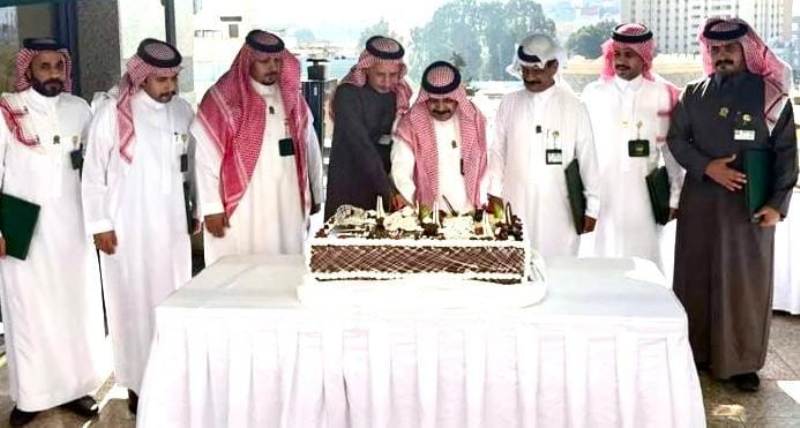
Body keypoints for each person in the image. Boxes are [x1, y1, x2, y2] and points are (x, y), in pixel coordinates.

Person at [667, 17, 798, 391]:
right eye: (716, 49)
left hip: (748, 209)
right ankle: (696, 354)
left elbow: (786, 153)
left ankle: (742, 363)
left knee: (745, 284)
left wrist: (777, 204)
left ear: (747, 50)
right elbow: (677, 140)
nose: (722, 55)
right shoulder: (694, 93)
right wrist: (707, 167)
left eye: (730, 48)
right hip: (701, 206)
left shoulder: (770, 94)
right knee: (696, 278)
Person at [82, 38, 196, 413]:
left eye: (173, 79)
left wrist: (195, 208)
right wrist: (99, 224)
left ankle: (173, 381)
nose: (169, 87)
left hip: (172, 229)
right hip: (126, 229)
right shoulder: (112, 114)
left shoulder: (182, 111)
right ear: (142, 76)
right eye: (161, 80)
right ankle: (136, 383)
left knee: (172, 301)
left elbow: (191, 165)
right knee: (132, 305)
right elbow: (93, 173)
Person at [0, 38, 107, 426]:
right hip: (21, 224)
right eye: (43, 66)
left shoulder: (79, 109)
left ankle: (77, 387)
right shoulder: (7, 110)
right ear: (28, 69)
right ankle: (32, 397)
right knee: (28, 312)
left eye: (58, 66)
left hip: (73, 226)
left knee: (76, 308)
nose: (52, 74)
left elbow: (96, 166)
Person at [193, 30, 322, 265]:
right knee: (242, 269)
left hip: (287, 203)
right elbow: (205, 158)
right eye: (264, 61)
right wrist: (211, 208)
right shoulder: (223, 99)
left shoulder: (292, 98)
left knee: (285, 267)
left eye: (277, 61)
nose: (272, 67)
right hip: (243, 209)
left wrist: (314, 191)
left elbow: (309, 145)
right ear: (248, 61)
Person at [488, 33, 600, 256]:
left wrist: (593, 207)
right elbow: (497, 151)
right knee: (515, 261)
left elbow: (588, 158)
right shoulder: (509, 103)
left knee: (559, 266)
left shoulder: (574, 106)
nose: (529, 77)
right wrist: (493, 192)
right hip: (515, 202)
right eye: (525, 70)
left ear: (554, 66)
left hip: (559, 208)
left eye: (536, 70)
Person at [582, 23, 684, 268]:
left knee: (645, 261)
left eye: (629, 55)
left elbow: (671, 152)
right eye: (616, 54)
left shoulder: (662, 94)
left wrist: (675, 197)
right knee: (604, 263)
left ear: (644, 58)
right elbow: (583, 150)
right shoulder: (594, 93)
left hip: (645, 193)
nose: (621, 60)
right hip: (603, 193)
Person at [324, 35, 412, 219]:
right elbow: (361, 147)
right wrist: (389, 191)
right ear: (366, 69)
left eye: (393, 75)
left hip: (386, 182)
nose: (387, 82)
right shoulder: (347, 94)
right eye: (380, 75)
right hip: (351, 183)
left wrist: (399, 186)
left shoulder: (397, 93)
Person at [392, 61, 487, 213]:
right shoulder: (410, 124)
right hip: (429, 215)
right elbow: (401, 173)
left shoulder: (473, 118)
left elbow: (484, 165)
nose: (441, 108)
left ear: (457, 97)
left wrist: (481, 202)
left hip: (469, 212)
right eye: (434, 101)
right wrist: (421, 209)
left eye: (448, 100)